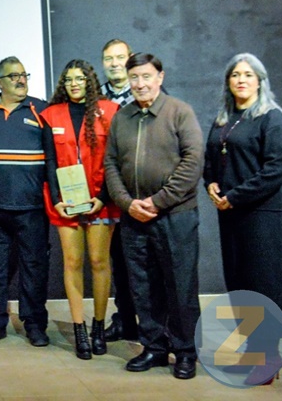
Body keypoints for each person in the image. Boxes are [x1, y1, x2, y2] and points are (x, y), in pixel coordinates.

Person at [104, 53, 204, 380]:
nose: (140, 84)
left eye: (146, 76)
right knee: (143, 288)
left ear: (159, 77)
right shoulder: (122, 117)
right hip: (133, 218)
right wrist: (127, 203)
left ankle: (185, 352)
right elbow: (110, 165)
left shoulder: (180, 112)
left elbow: (192, 162)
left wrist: (158, 202)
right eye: (134, 77)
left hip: (175, 216)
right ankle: (155, 348)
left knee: (180, 287)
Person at [204, 53, 282, 332]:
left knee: (263, 282)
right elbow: (211, 160)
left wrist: (235, 196)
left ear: (259, 82)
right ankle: (251, 344)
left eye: (247, 75)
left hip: (262, 215)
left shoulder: (273, 118)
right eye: (235, 75)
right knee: (238, 280)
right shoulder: (224, 119)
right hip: (231, 213)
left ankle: (269, 355)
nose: (240, 80)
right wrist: (211, 183)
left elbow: (278, 168)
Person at [40, 60, 119, 359]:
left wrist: (102, 195)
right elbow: (49, 161)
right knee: (72, 263)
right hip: (65, 203)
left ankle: (99, 326)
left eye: (80, 79)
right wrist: (58, 198)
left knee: (99, 262)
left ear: (90, 82)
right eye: (69, 79)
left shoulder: (109, 112)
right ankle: (79, 330)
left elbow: (114, 158)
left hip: (101, 200)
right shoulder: (50, 115)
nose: (75, 84)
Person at [0, 57, 50, 347]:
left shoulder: (41, 109)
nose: (21, 80)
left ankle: (35, 326)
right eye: (13, 75)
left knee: (34, 267)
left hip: (32, 206)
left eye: (24, 74)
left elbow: (55, 155)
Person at [98, 39, 139, 343]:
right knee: (119, 264)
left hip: (142, 190)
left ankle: (153, 325)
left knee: (146, 264)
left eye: (119, 58)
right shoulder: (94, 98)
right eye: (108, 58)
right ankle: (124, 320)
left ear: (130, 59)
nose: (114, 63)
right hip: (108, 192)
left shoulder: (144, 93)